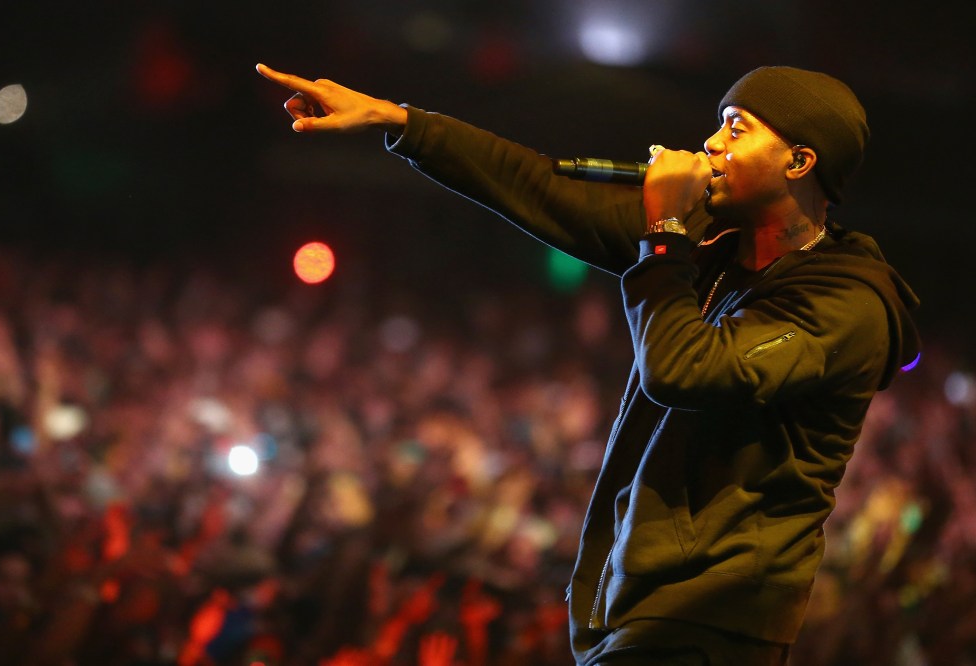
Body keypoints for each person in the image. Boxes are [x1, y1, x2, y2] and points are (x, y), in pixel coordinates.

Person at [254, 62, 921, 665]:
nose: (712, 144)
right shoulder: (717, 254)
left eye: (736, 129)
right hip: (642, 608)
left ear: (799, 161)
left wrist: (664, 237)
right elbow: (540, 186)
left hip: (712, 620)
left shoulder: (847, 302)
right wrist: (400, 122)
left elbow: (685, 371)